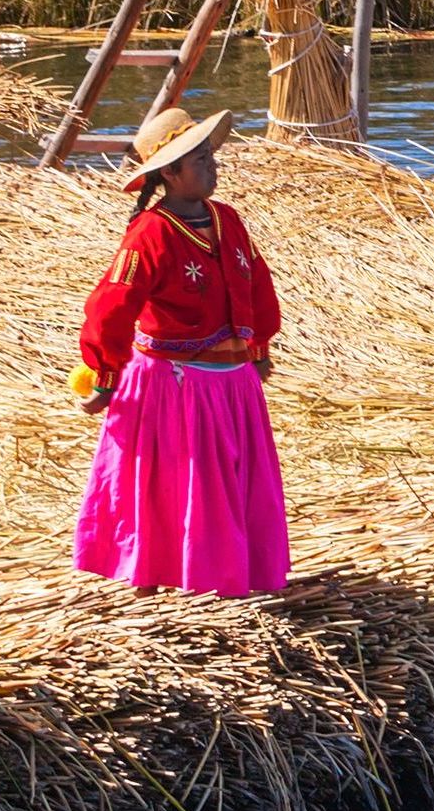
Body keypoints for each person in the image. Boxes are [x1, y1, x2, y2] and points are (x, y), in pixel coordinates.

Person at [75, 106, 290, 596]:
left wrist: (259, 347)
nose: (213, 165)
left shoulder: (228, 219)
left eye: (210, 155)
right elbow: (112, 306)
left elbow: (256, 282)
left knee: (235, 483)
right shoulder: (150, 234)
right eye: (199, 159)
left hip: (233, 383)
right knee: (180, 485)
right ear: (169, 173)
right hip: (177, 386)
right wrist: (104, 377)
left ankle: (237, 575)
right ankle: (164, 576)